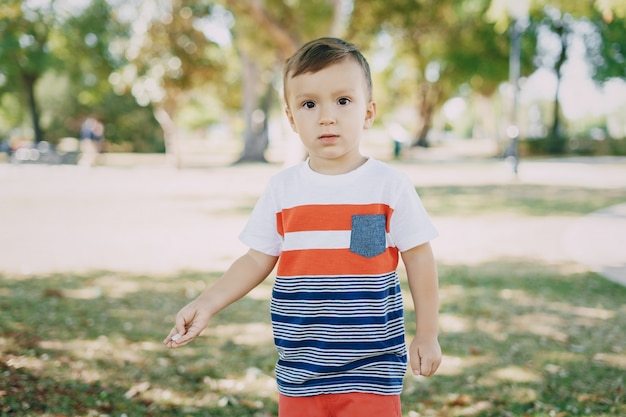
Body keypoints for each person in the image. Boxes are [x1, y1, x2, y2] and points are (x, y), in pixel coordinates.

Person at [164, 37, 441, 417]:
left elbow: (420, 259)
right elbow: (257, 258)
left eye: (343, 101)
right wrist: (206, 303)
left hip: (371, 370)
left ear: (368, 112)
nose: (327, 116)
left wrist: (427, 333)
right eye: (309, 104)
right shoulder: (283, 189)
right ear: (292, 118)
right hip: (300, 373)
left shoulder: (389, 186)